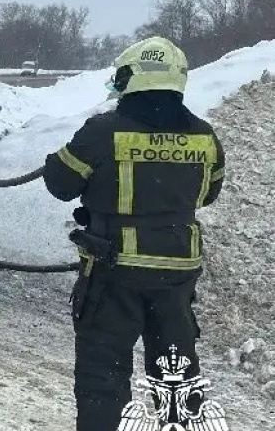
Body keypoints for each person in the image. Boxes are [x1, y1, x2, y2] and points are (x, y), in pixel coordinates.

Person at [41, 36, 225, 431]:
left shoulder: (103, 130)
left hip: (115, 271)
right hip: (176, 274)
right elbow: (208, 193)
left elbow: (61, 184)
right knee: (176, 376)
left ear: (133, 78)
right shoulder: (204, 135)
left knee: (103, 377)